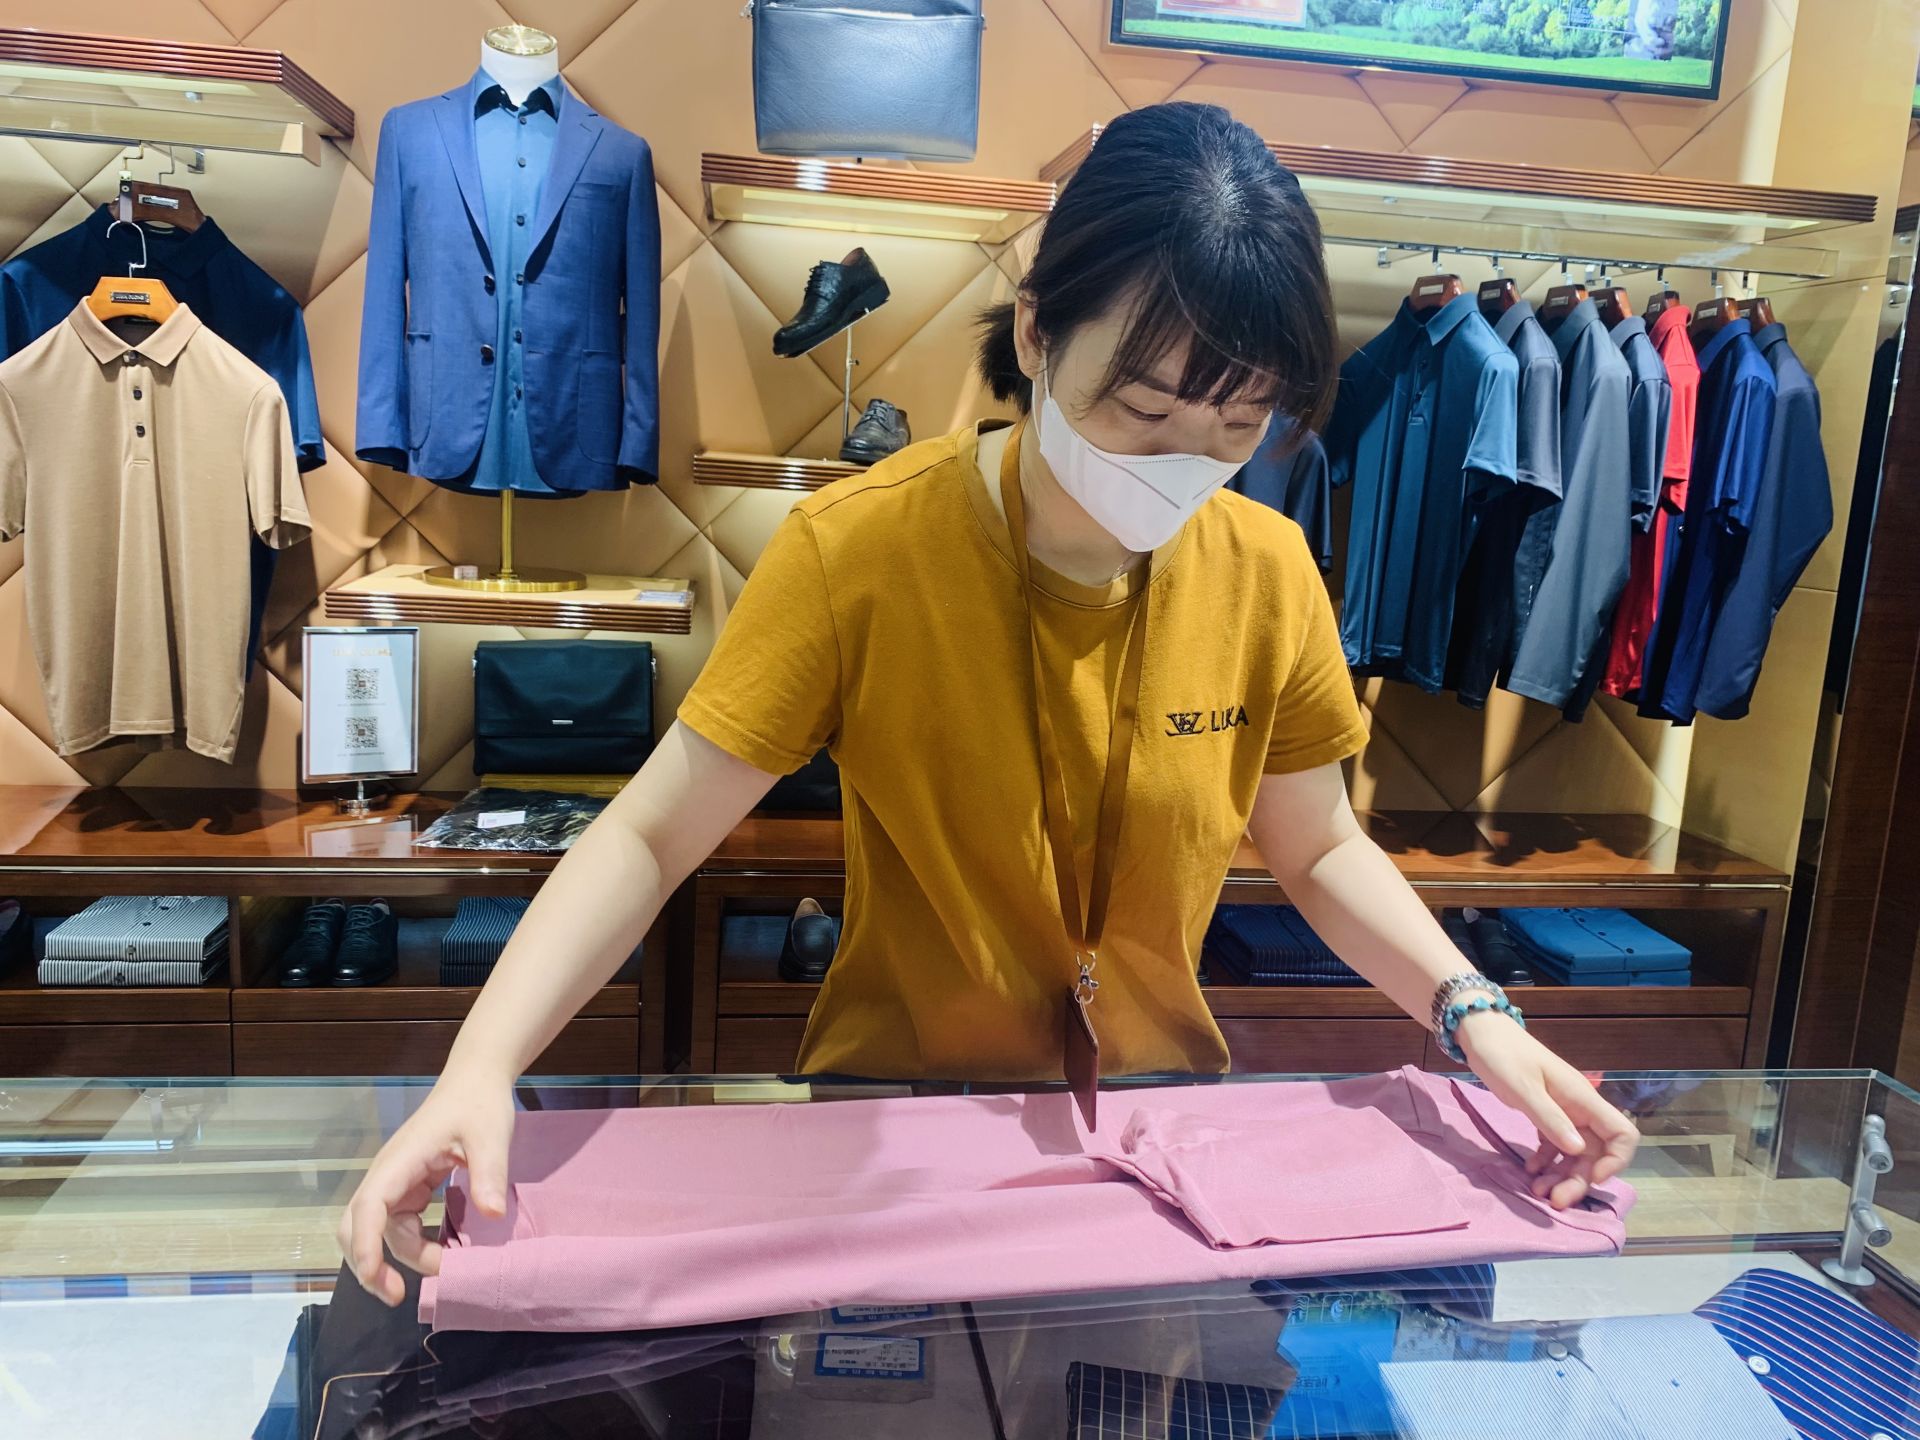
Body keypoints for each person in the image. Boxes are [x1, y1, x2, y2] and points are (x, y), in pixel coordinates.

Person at [340, 101, 1638, 1307]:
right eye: (1142, 410)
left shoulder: (1267, 569)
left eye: (1237, 424)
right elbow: (647, 834)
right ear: (1034, 335)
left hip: (1160, 1134)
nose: (1181, 467)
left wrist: (1476, 1012)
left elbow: (1319, 846)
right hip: (889, 1123)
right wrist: (479, 1067)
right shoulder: (858, 551)